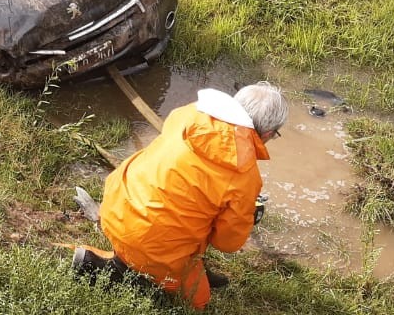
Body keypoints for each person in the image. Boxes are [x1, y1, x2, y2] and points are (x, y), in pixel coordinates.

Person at [73, 81, 288, 309]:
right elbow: (227, 243)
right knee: (198, 301)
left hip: (118, 202)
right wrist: (248, 216)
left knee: (194, 212)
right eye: (275, 135)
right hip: (145, 236)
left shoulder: (192, 112)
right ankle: (100, 267)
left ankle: (183, 264)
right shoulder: (245, 175)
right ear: (266, 133)